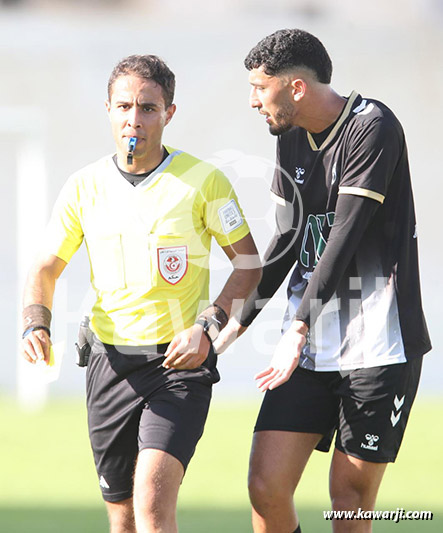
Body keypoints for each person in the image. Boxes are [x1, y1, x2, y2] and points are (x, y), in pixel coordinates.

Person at [21, 54, 261, 533]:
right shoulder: (83, 186)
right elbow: (45, 266)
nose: (135, 119)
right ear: (108, 110)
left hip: (179, 366)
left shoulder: (204, 181)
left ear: (169, 113)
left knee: (151, 503)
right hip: (109, 364)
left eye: (148, 108)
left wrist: (207, 328)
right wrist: (35, 323)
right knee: (124, 518)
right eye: (125, 106)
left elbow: (249, 265)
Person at [214, 29, 431, 533]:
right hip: (310, 350)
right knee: (265, 486)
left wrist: (296, 328)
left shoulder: (373, 126)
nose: (253, 101)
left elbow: (343, 238)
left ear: (295, 88)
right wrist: (233, 324)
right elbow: (288, 241)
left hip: (378, 345)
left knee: (348, 500)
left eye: (259, 88)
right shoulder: (289, 135)